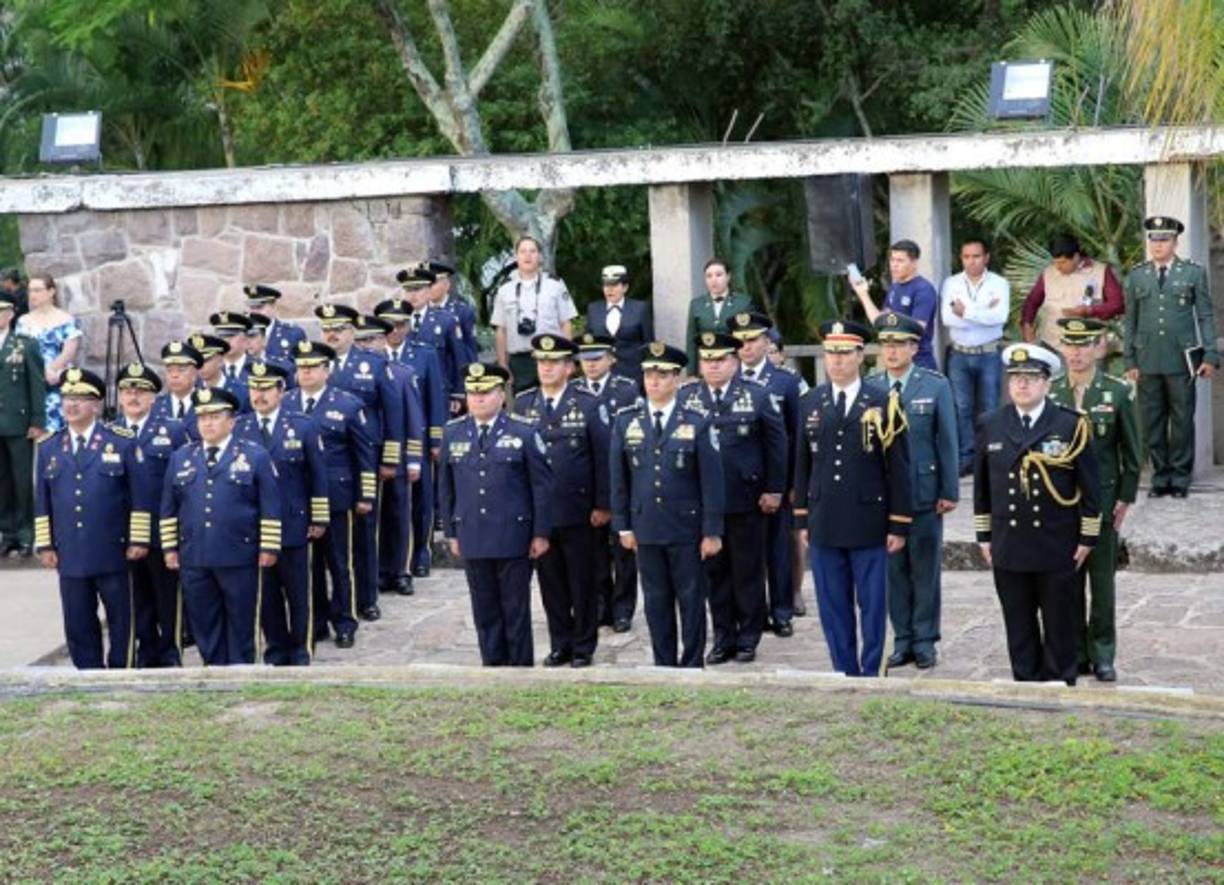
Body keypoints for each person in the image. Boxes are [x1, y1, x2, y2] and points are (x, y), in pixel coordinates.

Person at [974, 343, 1100, 685]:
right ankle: (1025, 685)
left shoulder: (1070, 424)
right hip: (1009, 542)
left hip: (1056, 542)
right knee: (1018, 623)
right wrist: (984, 535)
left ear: (1047, 383)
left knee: (1061, 623)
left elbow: (1090, 486)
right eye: (1015, 377)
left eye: (1031, 378)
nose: (1022, 384)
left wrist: (1088, 537)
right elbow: (982, 487)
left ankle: (1060, 683)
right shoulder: (991, 423)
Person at [794, 319, 912, 677]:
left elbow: (898, 467)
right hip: (825, 518)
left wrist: (899, 523)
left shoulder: (882, 401)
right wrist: (801, 517)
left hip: (868, 519)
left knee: (873, 605)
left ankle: (871, 670)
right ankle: (843, 671)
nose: (837, 360)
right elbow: (801, 464)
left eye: (845, 353)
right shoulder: (810, 401)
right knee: (832, 606)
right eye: (831, 352)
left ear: (861, 355)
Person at [610, 342, 724, 668]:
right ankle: (664, 664)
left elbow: (712, 481)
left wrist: (712, 530)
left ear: (676, 378)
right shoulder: (626, 421)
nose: (654, 381)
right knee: (656, 601)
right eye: (649, 374)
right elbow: (619, 479)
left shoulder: (697, 421)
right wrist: (623, 525)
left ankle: (692, 663)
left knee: (691, 599)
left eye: (662, 375)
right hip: (646, 526)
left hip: (686, 527)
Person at [35, 368, 152, 669]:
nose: (71, 405)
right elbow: (43, 502)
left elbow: (139, 496)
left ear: (96, 404)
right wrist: (45, 545)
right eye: (67, 398)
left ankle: (122, 671)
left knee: (121, 618)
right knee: (77, 619)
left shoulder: (121, 442)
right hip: (70, 550)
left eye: (80, 398)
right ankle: (87, 673)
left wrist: (139, 539)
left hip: (112, 549)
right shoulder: (49, 447)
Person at [439, 362, 552, 667]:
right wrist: (451, 532)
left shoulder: (523, 431)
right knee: (484, 609)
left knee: (515, 609)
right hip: (473, 532)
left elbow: (541, 487)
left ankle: (519, 669)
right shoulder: (453, 432)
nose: (478, 398)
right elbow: (446, 488)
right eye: (473, 393)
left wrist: (541, 533)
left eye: (486, 392)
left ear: (502, 395)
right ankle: (492, 666)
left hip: (513, 534)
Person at [683, 331, 786, 664]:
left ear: (734, 361)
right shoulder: (688, 398)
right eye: (707, 360)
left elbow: (776, 445)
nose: (712, 366)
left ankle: (748, 637)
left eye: (720, 360)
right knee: (714, 574)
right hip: (704, 504)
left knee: (747, 571)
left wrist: (774, 489)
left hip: (745, 499)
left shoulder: (756, 395)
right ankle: (723, 637)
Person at [160, 387, 281, 666]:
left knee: (242, 619)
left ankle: (241, 669)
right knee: (204, 619)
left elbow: (270, 505)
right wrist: (169, 548)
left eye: (215, 417)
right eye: (202, 418)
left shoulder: (254, 456)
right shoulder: (181, 457)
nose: (208, 424)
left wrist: (269, 547)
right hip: (195, 555)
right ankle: (213, 667)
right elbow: (169, 507)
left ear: (231, 421)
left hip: (239, 555)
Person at [512, 334, 611, 667]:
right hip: (541, 513)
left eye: (554, 362)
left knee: (583, 582)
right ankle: (560, 643)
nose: (546, 368)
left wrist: (603, 504)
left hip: (580, 511)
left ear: (570, 367)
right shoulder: (524, 404)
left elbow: (603, 457)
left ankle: (583, 646)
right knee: (550, 583)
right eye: (542, 362)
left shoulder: (588, 403)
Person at [1051, 318, 1141, 682]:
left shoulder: (1117, 392)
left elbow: (1132, 452)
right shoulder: (1051, 392)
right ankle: (1076, 653)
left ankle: (1103, 653)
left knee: (1102, 585)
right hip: (1061, 504)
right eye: (1070, 345)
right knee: (1067, 583)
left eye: (1083, 345)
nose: (1076, 353)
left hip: (1102, 503)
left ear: (1097, 348)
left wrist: (1125, 497)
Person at [868, 312, 958, 670]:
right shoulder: (871, 386)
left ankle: (924, 640)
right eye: (886, 345)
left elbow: (947, 440)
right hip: (884, 495)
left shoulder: (934, 386)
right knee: (893, 572)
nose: (891, 352)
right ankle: (902, 638)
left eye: (899, 344)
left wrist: (949, 489)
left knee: (924, 569)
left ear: (914, 347)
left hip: (924, 491)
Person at [316, 303, 405, 622]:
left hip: (365, 459)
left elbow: (393, 412)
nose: (332, 334)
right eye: (327, 329)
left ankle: (366, 597)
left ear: (351, 331)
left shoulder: (373, 364)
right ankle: (332, 602)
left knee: (364, 531)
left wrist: (390, 459)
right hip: (328, 462)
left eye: (339, 329)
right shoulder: (313, 364)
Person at [284, 341, 376, 649]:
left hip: (337, 496)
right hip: (298, 498)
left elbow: (364, 454)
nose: (306, 373)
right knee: (308, 565)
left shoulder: (347, 404)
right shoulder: (286, 403)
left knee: (339, 563)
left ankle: (345, 621)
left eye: (313, 367)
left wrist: (365, 495)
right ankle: (317, 620)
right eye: (301, 368)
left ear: (327, 370)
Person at [236, 361, 329, 666]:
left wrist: (318, 517)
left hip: (293, 523)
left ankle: (302, 648)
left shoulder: (302, 425)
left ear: (281, 391)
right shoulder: (240, 427)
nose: (259, 395)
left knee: (299, 592)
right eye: (254, 388)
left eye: (265, 389)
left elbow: (317, 474)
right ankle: (275, 649)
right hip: (255, 527)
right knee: (267, 595)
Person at [1123, 216, 1219, 498]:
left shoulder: (1193, 273)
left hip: (1182, 359)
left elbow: (1205, 315)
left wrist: (1210, 354)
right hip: (1147, 359)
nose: (1157, 245)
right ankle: (1160, 477)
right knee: (1152, 422)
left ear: (1175, 242)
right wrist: (1129, 359)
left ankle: (1179, 477)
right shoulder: (1138, 275)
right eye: (1153, 239)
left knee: (1182, 420)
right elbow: (1131, 321)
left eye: (1164, 239)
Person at [731, 311, 803, 637]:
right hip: (738, 483)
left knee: (778, 550)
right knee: (745, 553)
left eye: (752, 340)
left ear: (765, 342)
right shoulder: (727, 380)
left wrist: (792, 483)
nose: (745, 347)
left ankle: (782, 611)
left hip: (775, 479)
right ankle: (752, 613)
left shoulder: (785, 381)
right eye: (740, 342)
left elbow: (796, 435)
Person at [113, 362, 188, 667]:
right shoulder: (109, 433)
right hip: (124, 532)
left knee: (167, 596)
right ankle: (145, 651)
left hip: (162, 531)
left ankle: (170, 651)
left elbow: (185, 480)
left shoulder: (173, 430)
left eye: (141, 392)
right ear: (119, 396)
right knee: (136, 597)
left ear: (154, 397)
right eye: (127, 391)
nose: (133, 397)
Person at [572, 332, 640, 631]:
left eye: (597, 358)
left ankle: (623, 608)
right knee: (594, 550)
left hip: (622, 478)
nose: (590, 365)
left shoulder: (626, 390)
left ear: (611, 359)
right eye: (585, 359)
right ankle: (601, 605)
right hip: (587, 481)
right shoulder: (573, 390)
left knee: (623, 548)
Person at [354, 314, 425, 598]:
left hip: (396, 455)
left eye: (371, 340)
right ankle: (379, 572)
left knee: (399, 513)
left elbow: (413, 420)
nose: (366, 346)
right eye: (361, 341)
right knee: (372, 517)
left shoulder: (401, 373)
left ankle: (401, 571)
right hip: (366, 457)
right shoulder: (353, 374)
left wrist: (412, 460)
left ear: (383, 341)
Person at [377, 296, 447, 578]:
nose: (396, 330)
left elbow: (435, 398)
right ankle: (389, 560)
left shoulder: (424, 354)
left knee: (421, 501)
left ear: (408, 326)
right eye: (390, 325)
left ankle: (421, 552)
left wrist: (436, 440)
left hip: (417, 440)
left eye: (401, 324)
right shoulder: (373, 357)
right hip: (386, 442)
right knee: (390, 506)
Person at [940, 238, 1010, 475]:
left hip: (988, 353)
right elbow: (948, 319)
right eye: (966, 257)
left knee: (989, 408)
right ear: (961, 258)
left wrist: (966, 311)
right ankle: (967, 458)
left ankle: (988, 458)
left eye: (976, 256)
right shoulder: (951, 283)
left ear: (986, 257)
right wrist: (983, 311)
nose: (971, 261)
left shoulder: (999, 283)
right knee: (962, 408)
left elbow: (999, 317)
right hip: (959, 354)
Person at [491, 236, 577, 393]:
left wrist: (568, 359)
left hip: (552, 356)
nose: (528, 256)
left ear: (540, 256)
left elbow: (566, 323)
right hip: (520, 362)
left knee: (555, 399)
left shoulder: (555, 285)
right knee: (523, 404)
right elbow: (501, 330)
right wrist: (503, 364)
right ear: (516, 256)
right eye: (523, 251)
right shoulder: (505, 289)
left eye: (532, 251)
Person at [0, 293, 46, 558]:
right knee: (2, 482)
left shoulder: (25, 344)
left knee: (22, 481)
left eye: (2, 312)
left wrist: (37, 420)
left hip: (18, 422)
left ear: (10, 314)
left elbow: (36, 384)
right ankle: (7, 534)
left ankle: (26, 534)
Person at [850, 241, 939, 370]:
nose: (894, 265)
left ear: (914, 263)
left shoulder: (923, 289)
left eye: (900, 261)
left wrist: (892, 325)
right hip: (895, 360)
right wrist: (863, 294)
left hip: (918, 361)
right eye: (892, 260)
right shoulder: (894, 287)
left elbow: (916, 329)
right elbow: (879, 322)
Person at [1021, 234, 1124, 346]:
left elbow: (1117, 304)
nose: (1058, 267)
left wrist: (1089, 311)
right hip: (1053, 344)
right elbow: (1032, 301)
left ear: (1076, 256)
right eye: (1055, 262)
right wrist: (1027, 324)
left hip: (1089, 345)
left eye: (1063, 262)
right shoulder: (1048, 273)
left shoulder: (1101, 271)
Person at [16, 275, 82, 434]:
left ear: (51, 291)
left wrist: (50, 369)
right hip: (31, 382)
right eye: (30, 290)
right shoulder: (23, 321)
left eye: (37, 290)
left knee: (59, 431)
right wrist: (38, 373)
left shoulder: (66, 319)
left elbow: (69, 351)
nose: (32, 295)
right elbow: (19, 349)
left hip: (56, 380)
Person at [396, 264, 466, 401]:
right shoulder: (395, 323)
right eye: (408, 290)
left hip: (438, 393)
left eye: (418, 289)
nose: (413, 295)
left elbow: (458, 359)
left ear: (428, 290)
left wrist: (458, 395)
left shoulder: (446, 320)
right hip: (404, 393)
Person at [684, 258, 753, 370]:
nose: (714, 280)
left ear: (728, 277)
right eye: (709, 276)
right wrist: (691, 372)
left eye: (719, 275)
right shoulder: (697, 304)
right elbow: (691, 341)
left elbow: (748, 338)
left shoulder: (743, 303)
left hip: (734, 365)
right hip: (707, 365)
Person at [586, 265, 653, 379]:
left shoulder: (640, 308)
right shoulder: (594, 309)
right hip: (602, 374)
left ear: (625, 287)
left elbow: (648, 343)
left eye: (614, 285)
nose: (609, 289)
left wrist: (647, 373)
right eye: (606, 285)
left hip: (633, 374)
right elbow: (589, 344)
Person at [427, 260, 480, 366]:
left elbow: (470, 349)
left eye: (433, 283)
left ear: (447, 285)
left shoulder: (462, 312)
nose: (428, 288)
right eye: (425, 284)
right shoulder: (419, 313)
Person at [149, 340, 204, 441]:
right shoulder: (154, 407)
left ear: (195, 373)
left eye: (181, 370)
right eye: (169, 370)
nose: (174, 375)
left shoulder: (208, 404)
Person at [245, 284, 307, 363]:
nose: (255, 312)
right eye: (252, 307)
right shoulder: (242, 334)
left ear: (273, 306)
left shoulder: (293, 334)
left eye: (259, 307)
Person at [245, 313, 297, 385]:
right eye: (244, 337)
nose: (247, 341)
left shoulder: (283, 367)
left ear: (264, 340)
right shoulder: (234, 368)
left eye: (252, 337)